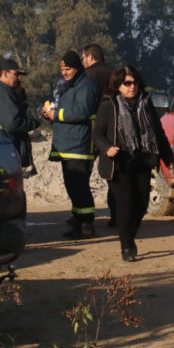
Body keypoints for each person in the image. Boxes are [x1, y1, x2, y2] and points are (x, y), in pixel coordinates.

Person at [93, 65, 174, 262]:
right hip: (118, 163)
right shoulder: (108, 105)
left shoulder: (146, 104)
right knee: (125, 205)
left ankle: (129, 235)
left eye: (135, 83)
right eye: (127, 83)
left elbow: (159, 133)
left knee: (141, 204)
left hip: (142, 160)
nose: (132, 87)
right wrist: (107, 148)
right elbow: (97, 134)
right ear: (118, 85)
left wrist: (168, 157)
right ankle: (126, 245)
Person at [42, 50, 99, 239]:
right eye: (63, 69)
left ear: (77, 68)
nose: (65, 73)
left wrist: (56, 114)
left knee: (80, 187)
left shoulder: (85, 86)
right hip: (67, 145)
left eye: (68, 69)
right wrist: (51, 112)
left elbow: (81, 112)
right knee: (72, 186)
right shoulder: (68, 86)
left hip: (79, 146)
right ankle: (77, 219)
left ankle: (86, 224)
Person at [0, 58, 39, 176]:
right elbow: (14, 124)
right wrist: (34, 123)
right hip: (6, 155)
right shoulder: (3, 94)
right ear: (5, 73)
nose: (19, 78)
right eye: (16, 74)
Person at [81, 43, 117, 226]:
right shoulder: (113, 75)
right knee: (112, 174)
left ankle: (86, 219)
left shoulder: (87, 77)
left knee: (84, 174)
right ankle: (115, 215)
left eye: (83, 58)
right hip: (111, 132)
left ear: (90, 57)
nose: (82, 62)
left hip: (90, 132)